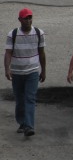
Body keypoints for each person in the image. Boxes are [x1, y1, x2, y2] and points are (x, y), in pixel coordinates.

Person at [4, 8, 46, 137]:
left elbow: (42, 53)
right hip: (17, 72)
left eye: (30, 18)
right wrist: (7, 69)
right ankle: (22, 122)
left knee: (30, 98)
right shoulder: (13, 34)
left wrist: (43, 70)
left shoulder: (39, 33)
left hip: (32, 72)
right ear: (19, 20)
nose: (28, 20)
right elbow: (8, 53)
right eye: (25, 18)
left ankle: (29, 126)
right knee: (20, 99)